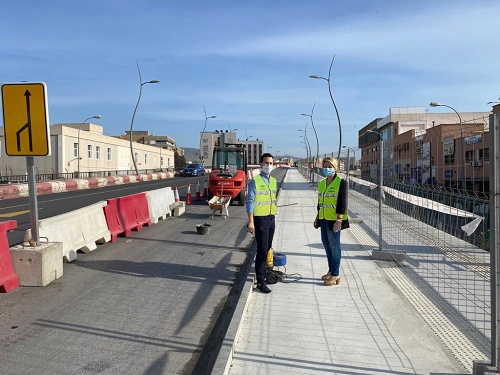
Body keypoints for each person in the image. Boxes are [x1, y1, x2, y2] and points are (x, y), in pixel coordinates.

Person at [313, 157, 349, 286]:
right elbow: (320, 202)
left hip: (334, 220)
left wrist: (339, 220)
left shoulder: (341, 182)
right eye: (325, 166)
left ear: (336, 168)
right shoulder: (322, 183)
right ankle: (331, 270)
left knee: (334, 246)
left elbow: (342, 203)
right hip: (323, 219)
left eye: (330, 167)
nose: (327, 169)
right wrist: (317, 217)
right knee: (327, 245)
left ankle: (335, 273)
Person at [246, 153, 277, 294]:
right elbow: (250, 202)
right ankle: (260, 281)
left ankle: (263, 273)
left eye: (270, 163)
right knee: (262, 250)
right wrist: (251, 221)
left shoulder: (274, 181)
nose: (268, 166)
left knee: (268, 247)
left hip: (271, 219)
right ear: (261, 165)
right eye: (266, 163)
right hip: (260, 220)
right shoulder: (255, 181)